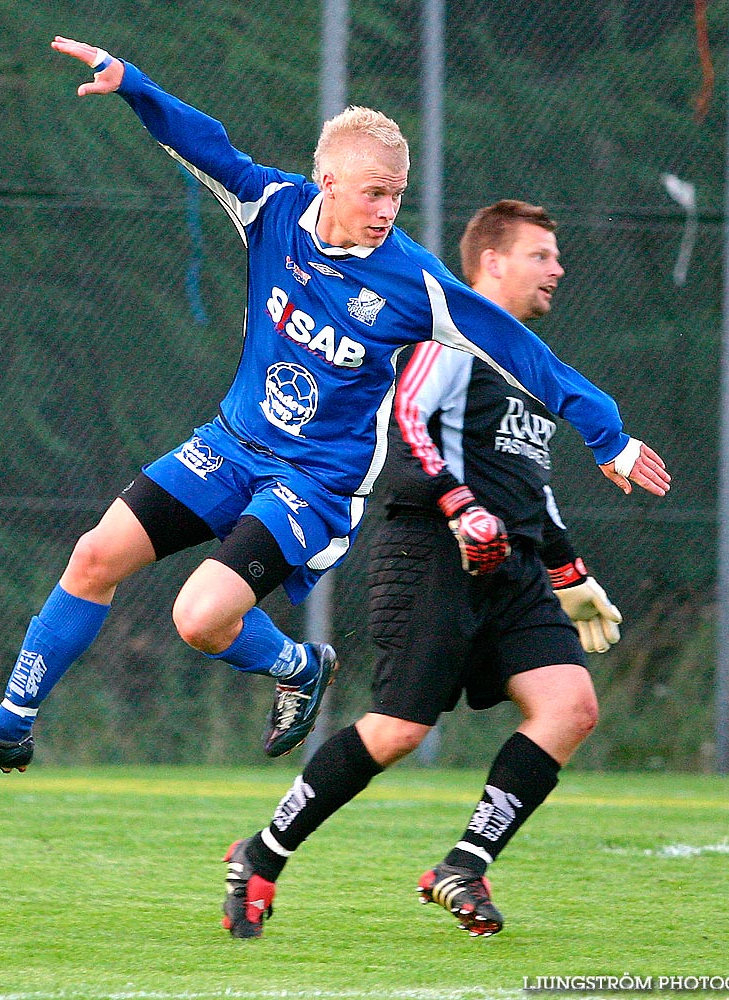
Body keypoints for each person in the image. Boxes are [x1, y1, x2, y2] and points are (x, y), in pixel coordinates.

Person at [0, 41, 668, 785]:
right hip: (232, 444)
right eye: (372, 192)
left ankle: (298, 668)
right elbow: (205, 143)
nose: (386, 209)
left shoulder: (412, 281)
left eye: (396, 194)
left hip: (313, 480)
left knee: (199, 618)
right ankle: (10, 728)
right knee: (93, 558)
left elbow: (519, 350)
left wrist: (607, 434)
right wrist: (135, 86)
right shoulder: (271, 207)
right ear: (326, 180)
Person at [221, 200, 635, 940]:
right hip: (432, 554)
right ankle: (260, 854)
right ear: (493, 264)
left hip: (510, 572)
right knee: (396, 730)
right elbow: (408, 418)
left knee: (570, 707)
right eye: (540, 254)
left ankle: (463, 866)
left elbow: (530, 483)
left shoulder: (527, 368)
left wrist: (569, 572)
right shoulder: (453, 332)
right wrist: (457, 505)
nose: (557, 269)